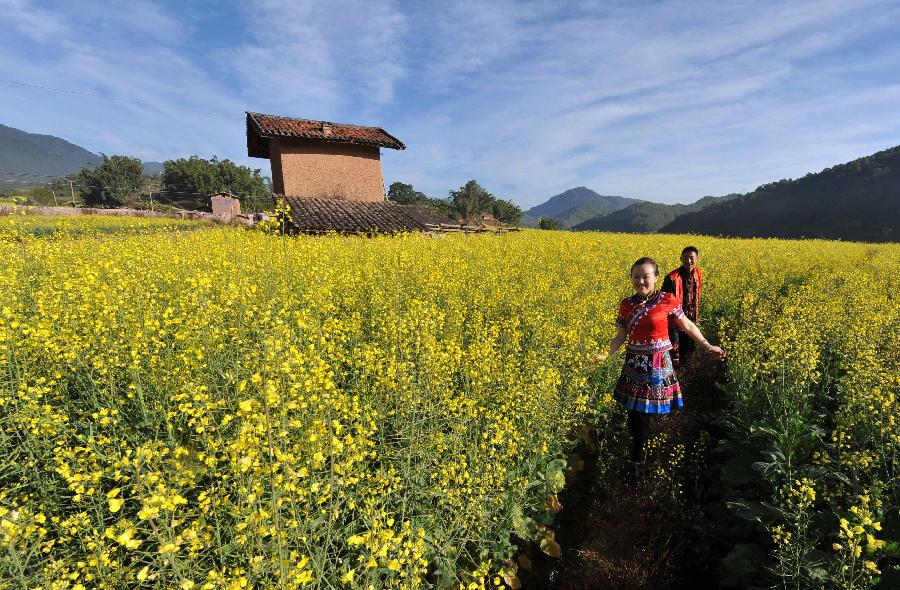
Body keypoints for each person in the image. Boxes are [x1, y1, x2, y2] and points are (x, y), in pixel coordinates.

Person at [596, 256, 724, 481]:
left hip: (657, 365)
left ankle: (638, 456)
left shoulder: (667, 300)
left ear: (656, 278)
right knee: (635, 415)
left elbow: (687, 325)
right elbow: (620, 336)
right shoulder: (626, 304)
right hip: (635, 365)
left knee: (645, 413)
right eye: (636, 277)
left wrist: (706, 345)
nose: (641, 281)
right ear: (631, 279)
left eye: (646, 276)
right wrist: (606, 353)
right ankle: (638, 455)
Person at [661, 246, 702, 368]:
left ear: (697, 259)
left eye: (691, 258)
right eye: (685, 258)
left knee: (689, 349)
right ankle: (674, 377)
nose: (688, 261)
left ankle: (687, 373)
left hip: (691, 319)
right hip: (675, 322)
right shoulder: (671, 278)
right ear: (680, 259)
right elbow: (664, 301)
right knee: (674, 350)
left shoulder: (698, 273)